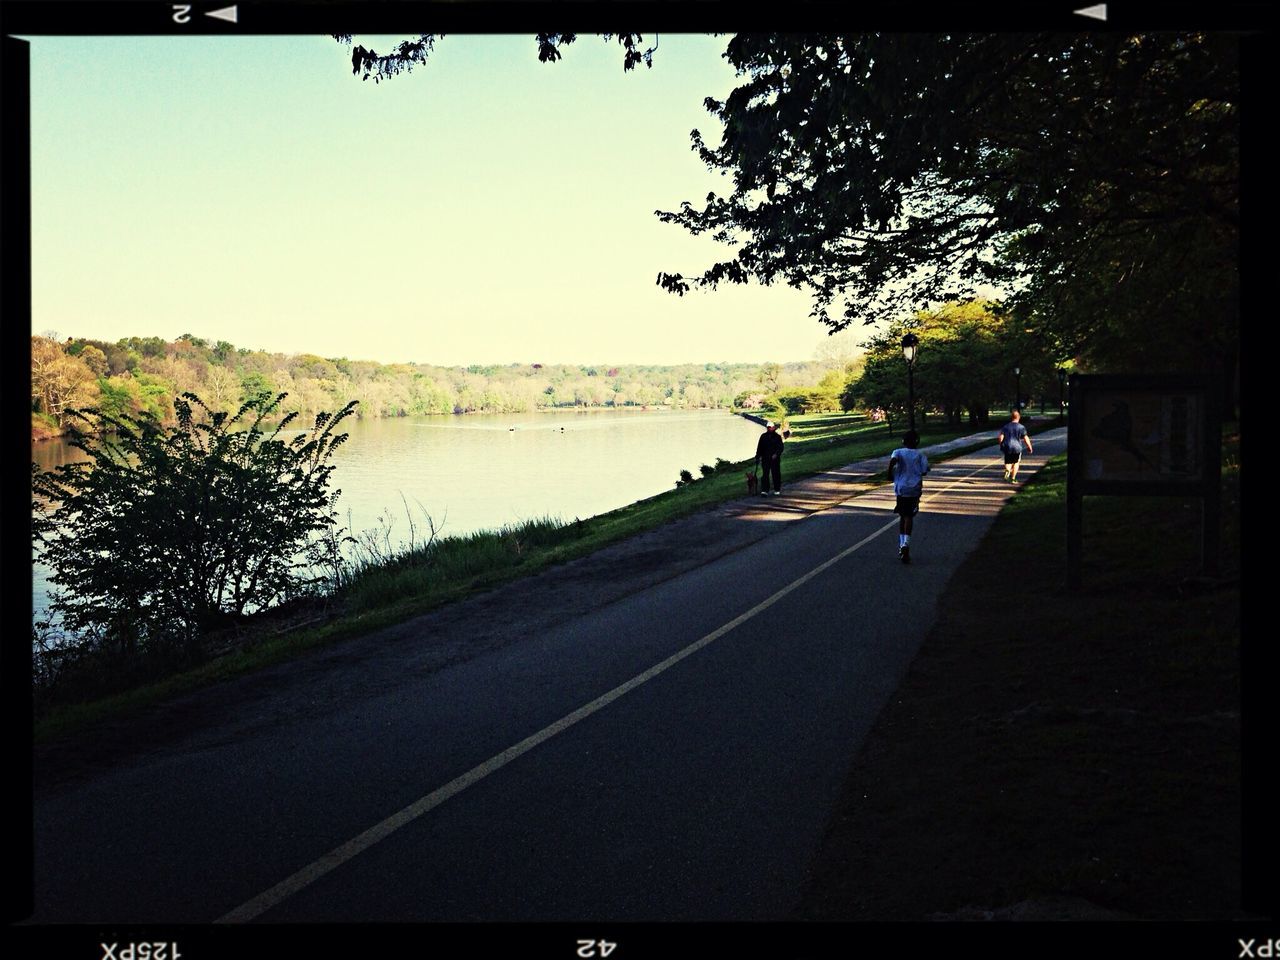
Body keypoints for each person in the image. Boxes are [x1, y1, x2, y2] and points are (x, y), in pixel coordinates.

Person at [889, 430, 929, 564]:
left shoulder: (898, 452)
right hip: (914, 489)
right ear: (917, 442)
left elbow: (893, 461)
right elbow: (924, 471)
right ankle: (905, 544)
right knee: (909, 516)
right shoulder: (921, 455)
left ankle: (902, 545)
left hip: (901, 489)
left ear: (903, 441)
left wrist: (889, 473)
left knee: (902, 515)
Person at [997, 408, 1034, 482]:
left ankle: (1007, 472)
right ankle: (1013, 478)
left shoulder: (1006, 427)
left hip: (1007, 446)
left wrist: (1001, 444)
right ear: (1019, 417)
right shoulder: (1021, 427)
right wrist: (1029, 447)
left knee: (1008, 462)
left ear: (1011, 417)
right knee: (1016, 462)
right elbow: (1025, 438)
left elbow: (1000, 437)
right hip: (1017, 447)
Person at [754, 420, 785, 496]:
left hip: (775, 459)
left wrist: (776, 454)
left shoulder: (777, 437)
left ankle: (777, 489)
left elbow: (780, 447)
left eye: (770, 427)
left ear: (774, 428)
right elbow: (759, 448)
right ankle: (765, 490)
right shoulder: (763, 436)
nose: (769, 429)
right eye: (768, 427)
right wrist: (757, 457)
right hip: (765, 458)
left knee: (776, 474)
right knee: (765, 475)